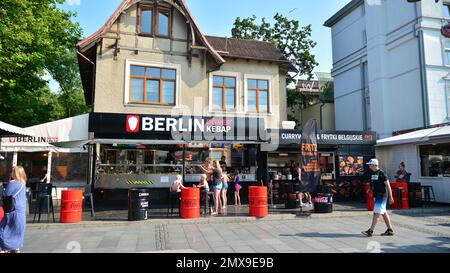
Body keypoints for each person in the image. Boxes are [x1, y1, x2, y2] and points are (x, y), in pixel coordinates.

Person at [362, 159, 395, 237]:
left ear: (375, 165)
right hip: (376, 195)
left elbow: (388, 186)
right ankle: (390, 230)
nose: (369, 166)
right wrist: (370, 189)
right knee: (383, 212)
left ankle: (371, 230)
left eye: (370, 164)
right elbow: (373, 183)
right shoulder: (372, 173)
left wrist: (391, 197)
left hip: (382, 195)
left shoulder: (382, 173)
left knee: (376, 213)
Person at [0, 166, 27, 253]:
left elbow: (6, 194)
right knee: (16, 238)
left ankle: (5, 250)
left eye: (12, 171)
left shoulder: (13, 183)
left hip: (12, 212)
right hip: (20, 213)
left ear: (15, 173)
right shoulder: (22, 184)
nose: (11, 173)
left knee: (3, 232)